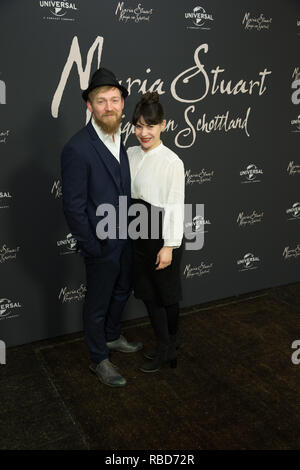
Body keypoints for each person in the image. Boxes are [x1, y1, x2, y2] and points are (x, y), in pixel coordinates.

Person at [61, 67, 142, 388]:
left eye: (115, 100)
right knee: (97, 303)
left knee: (122, 290)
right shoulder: (77, 147)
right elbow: (73, 206)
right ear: (89, 106)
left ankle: (111, 337)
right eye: (101, 101)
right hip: (101, 243)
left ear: (123, 104)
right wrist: (92, 245)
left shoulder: (119, 140)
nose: (109, 107)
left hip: (125, 237)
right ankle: (99, 359)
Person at [127, 92, 185, 373]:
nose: (143, 132)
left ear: (163, 124)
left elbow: (175, 204)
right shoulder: (129, 154)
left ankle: (170, 348)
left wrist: (170, 246)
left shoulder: (172, 161)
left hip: (162, 234)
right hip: (138, 231)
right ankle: (164, 345)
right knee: (149, 295)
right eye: (138, 126)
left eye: (150, 126)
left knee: (167, 295)